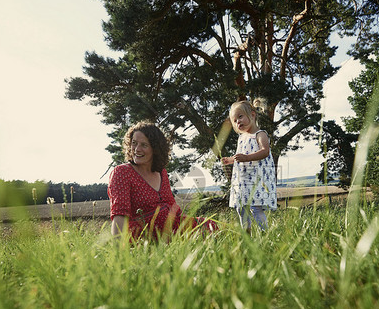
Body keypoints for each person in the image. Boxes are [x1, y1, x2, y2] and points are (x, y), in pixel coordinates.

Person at [108, 121, 217, 241]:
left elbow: (172, 207)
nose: (137, 149)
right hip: (145, 236)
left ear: (155, 149)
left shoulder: (161, 172)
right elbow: (119, 215)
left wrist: (191, 223)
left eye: (144, 145)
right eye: (134, 143)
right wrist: (120, 252)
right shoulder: (122, 172)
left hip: (172, 229)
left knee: (213, 226)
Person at [221, 100, 277, 232]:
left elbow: (265, 151)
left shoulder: (260, 134)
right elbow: (240, 156)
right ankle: (247, 236)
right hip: (242, 181)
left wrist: (246, 158)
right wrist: (230, 160)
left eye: (240, 117)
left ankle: (265, 232)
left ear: (252, 115)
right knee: (241, 208)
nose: (238, 122)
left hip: (255, 179)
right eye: (234, 120)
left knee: (255, 207)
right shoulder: (241, 138)